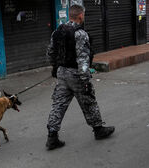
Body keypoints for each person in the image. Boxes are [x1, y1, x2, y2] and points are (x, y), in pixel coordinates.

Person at [46, 5, 115, 150]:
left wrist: (55, 68)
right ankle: (98, 130)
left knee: (58, 104)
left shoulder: (57, 31)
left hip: (62, 73)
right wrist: (85, 81)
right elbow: (83, 59)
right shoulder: (80, 34)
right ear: (80, 16)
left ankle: (52, 137)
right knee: (89, 101)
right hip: (76, 74)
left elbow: (50, 52)